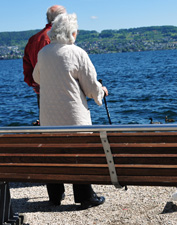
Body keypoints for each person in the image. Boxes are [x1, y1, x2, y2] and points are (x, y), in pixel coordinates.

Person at [33, 13, 107, 210]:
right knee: (80, 152)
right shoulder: (77, 53)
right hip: (74, 116)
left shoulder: (43, 53)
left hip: (49, 116)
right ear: (72, 33)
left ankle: (55, 196)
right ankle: (84, 196)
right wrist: (102, 91)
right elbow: (91, 87)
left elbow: (37, 77)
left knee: (54, 152)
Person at [23, 5, 66, 117]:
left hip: (41, 92)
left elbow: (27, 69)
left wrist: (35, 85)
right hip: (60, 92)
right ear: (61, 18)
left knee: (48, 125)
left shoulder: (33, 39)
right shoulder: (57, 39)